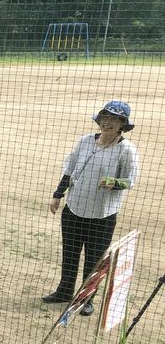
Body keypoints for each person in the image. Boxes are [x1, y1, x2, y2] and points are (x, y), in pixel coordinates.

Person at [44, 101, 140, 316]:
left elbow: (130, 180)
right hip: (74, 209)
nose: (107, 122)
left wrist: (115, 183)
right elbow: (70, 169)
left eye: (114, 119)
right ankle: (64, 291)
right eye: (104, 117)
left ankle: (86, 299)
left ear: (122, 124)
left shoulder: (126, 150)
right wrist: (58, 194)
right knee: (70, 253)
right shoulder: (86, 141)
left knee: (94, 259)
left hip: (102, 215)